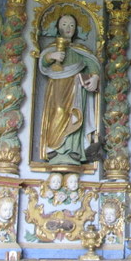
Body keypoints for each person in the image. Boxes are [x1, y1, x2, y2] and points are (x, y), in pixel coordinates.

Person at [39, 13, 101, 165]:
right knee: (58, 111)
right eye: (64, 24)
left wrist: (95, 77)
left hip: (75, 86)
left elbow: (92, 63)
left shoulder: (79, 49)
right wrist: (51, 56)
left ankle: (73, 149)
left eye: (72, 25)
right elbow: (43, 62)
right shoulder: (51, 48)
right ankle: (53, 147)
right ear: (58, 27)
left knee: (75, 113)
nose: (68, 28)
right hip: (57, 86)